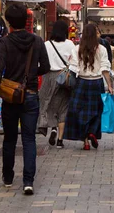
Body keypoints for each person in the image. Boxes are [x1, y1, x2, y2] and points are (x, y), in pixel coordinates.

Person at [0, 4, 50, 195]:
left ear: (8, 22)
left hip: (10, 96)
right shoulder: (37, 41)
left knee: (9, 139)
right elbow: (46, 66)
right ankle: (28, 182)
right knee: (29, 139)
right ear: (26, 20)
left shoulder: (5, 43)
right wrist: (31, 75)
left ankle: (8, 177)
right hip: (31, 94)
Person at [64, 24, 112, 150]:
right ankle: (92, 132)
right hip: (97, 83)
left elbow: (73, 68)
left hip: (81, 83)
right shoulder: (102, 49)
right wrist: (110, 86)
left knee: (79, 111)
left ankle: (85, 141)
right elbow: (105, 68)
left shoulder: (76, 49)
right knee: (97, 110)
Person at [37, 20, 75, 149]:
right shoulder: (70, 44)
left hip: (49, 76)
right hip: (64, 77)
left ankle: (51, 128)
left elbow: (40, 62)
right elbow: (74, 62)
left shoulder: (46, 44)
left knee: (47, 103)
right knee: (63, 107)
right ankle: (60, 140)